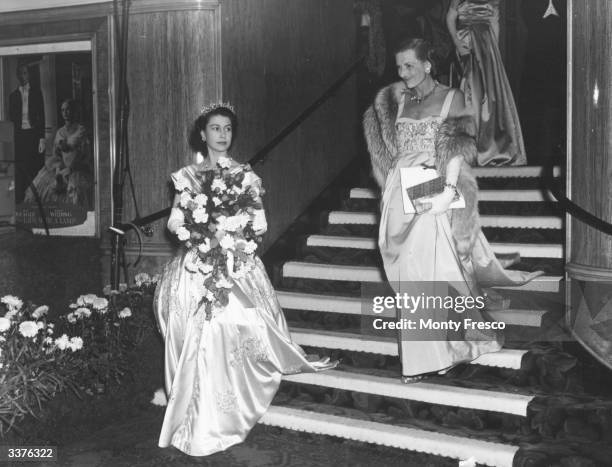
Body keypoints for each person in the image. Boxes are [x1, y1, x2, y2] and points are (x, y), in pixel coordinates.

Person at [153, 103, 337, 456]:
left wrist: (232, 237)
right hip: (197, 260)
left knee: (232, 325)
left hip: (236, 260)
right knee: (192, 330)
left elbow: (260, 223)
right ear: (202, 134)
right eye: (216, 128)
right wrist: (196, 235)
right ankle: (195, 409)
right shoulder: (187, 176)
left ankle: (226, 407)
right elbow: (174, 221)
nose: (222, 134)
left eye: (227, 129)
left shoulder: (246, 175)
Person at [363, 38, 542, 383]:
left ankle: (430, 357)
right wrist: (386, 186)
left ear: (428, 65)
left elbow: (458, 149)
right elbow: (382, 151)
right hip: (398, 191)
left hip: (434, 183)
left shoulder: (451, 97)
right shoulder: (394, 99)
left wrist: (447, 192)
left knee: (428, 266)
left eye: (409, 66)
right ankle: (438, 348)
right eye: (398, 67)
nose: (402, 73)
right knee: (407, 272)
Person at [446, 0, 526, 166]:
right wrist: (456, 41)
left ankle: (491, 147)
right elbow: (450, 17)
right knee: (470, 89)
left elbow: (494, 22)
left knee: (491, 95)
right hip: (466, 42)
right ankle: (468, 148)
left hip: (487, 45)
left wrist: (494, 54)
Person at [24, 99, 92, 209]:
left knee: (75, 191)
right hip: (62, 167)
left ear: (74, 111)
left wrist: (71, 169)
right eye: (63, 110)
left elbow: (84, 155)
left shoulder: (81, 130)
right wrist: (59, 169)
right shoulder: (59, 132)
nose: (65, 113)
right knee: (43, 188)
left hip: (77, 169)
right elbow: (57, 155)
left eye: (68, 109)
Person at [8, 64, 46, 203]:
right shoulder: (13, 96)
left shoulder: (37, 92)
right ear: (17, 75)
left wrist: (41, 138)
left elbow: (41, 116)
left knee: (33, 167)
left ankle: (34, 200)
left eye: (24, 73)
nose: (22, 76)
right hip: (19, 136)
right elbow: (11, 119)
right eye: (20, 73)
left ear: (28, 74)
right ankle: (21, 200)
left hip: (33, 135)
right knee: (21, 168)